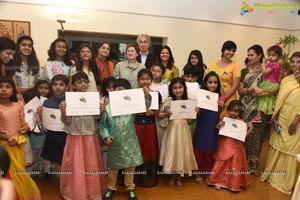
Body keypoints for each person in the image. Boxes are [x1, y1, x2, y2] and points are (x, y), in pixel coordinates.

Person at [60, 71, 106, 199]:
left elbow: (96, 117)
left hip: (90, 136)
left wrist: (100, 112)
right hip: (75, 136)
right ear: (73, 85)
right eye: (79, 82)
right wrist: (64, 111)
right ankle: (76, 191)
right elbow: (67, 121)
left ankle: (92, 191)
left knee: (91, 164)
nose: (83, 84)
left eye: (85, 81)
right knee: (76, 164)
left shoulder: (93, 98)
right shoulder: (68, 100)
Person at [260, 52, 300, 195]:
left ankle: (286, 181)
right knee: (277, 145)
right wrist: (275, 117)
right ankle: (272, 174)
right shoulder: (287, 79)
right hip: (281, 118)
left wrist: (295, 122)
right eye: (293, 61)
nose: (295, 65)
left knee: (290, 148)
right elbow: (279, 98)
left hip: (295, 121)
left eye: (298, 62)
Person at [100, 78, 143, 200]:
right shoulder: (107, 109)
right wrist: (106, 136)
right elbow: (103, 125)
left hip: (130, 142)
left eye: (124, 91)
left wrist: (146, 96)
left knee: (130, 166)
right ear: (113, 92)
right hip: (115, 143)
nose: (120, 93)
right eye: (118, 90)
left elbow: (146, 105)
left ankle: (130, 187)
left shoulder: (132, 108)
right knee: (113, 167)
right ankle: (110, 188)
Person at [0, 76, 41, 199]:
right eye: (0, 86)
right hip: (4, 149)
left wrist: (25, 128)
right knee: (12, 174)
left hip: (19, 145)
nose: (3, 90)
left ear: (13, 90)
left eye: (8, 87)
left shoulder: (18, 105)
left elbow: (23, 123)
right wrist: (6, 137)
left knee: (20, 173)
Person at [158, 77, 198, 186]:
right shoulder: (168, 101)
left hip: (184, 131)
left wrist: (194, 113)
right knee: (172, 151)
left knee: (181, 151)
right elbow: (159, 115)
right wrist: (166, 114)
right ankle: (172, 175)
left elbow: (190, 121)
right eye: (175, 88)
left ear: (184, 88)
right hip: (172, 131)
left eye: (180, 87)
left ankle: (179, 175)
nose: (178, 90)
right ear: (171, 90)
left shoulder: (189, 102)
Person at [208, 100, 253, 192]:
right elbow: (218, 129)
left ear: (240, 112)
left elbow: (243, 136)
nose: (233, 113)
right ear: (228, 110)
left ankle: (233, 183)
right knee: (222, 164)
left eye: (236, 111)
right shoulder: (225, 120)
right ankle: (218, 181)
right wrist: (218, 125)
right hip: (225, 145)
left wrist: (250, 130)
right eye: (231, 110)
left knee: (235, 165)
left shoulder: (242, 123)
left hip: (237, 147)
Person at [238, 45, 269, 175]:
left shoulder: (266, 71)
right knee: (244, 134)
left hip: (259, 108)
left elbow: (271, 88)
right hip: (244, 106)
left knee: (256, 136)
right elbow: (240, 91)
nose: (249, 57)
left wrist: (261, 92)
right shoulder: (244, 71)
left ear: (260, 55)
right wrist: (251, 89)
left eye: (252, 55)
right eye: (248, 55)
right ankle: (241, 163)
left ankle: (253, 165)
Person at [193, 71, 224, 184]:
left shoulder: (221, 96)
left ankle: (207, 170)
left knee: (211, 148)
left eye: (215, 82)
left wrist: (222, 105)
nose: (213, 85)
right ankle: (197, 172)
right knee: (199, 148)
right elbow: (197, 113)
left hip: (213, 127)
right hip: (202, 126)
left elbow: (221, 111)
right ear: (205, 83)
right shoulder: (200, 95)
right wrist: (197, 110)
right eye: (210, 82)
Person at [134, 69, 160, 187]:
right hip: (137, 126)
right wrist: (143, 112)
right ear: (138, 80)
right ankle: (134, 179)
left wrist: (151, 112)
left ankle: (148, 179)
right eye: (142, 79)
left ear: (151, 80)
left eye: (147, 79)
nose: (145, 81)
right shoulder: (133, 94)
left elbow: (155, 111)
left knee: (150, 150)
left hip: (150, 126)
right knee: (137, 150)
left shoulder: (155, 94)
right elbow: (133, 111)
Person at [40, 74, 68, 173]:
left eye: (61, 84)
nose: (58, 87)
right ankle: (62, 180)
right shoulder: (47, 102)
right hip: (52, 135)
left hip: (66, 135)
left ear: (67, 86)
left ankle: (68, 181)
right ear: (51, 86)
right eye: (55, 84)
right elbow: (43, 123)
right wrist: (39, 115)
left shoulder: (70, 100)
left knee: (67, 160)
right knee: (56, 160)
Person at [206, 40, 241, 119]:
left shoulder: (236, 66)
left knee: (226, 125)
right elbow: (206, 82)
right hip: (214, 99)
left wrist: (223, 98)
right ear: (223, 50)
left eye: (233, 51)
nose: (231, 53)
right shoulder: (212, 64)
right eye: (229, 50)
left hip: (229, 99)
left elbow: (235, 86)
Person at [252, 45, 282, 122]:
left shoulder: (273, 64)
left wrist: (264, 63)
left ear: (279, 56)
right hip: (274, 84)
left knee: (260, 97)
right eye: (269, 55)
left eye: (273, 55)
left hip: (270, 84)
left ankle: (259, 115)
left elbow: (264, 73)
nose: (270, 57)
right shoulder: (277, 65)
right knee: (267, 99)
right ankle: (269, 116)